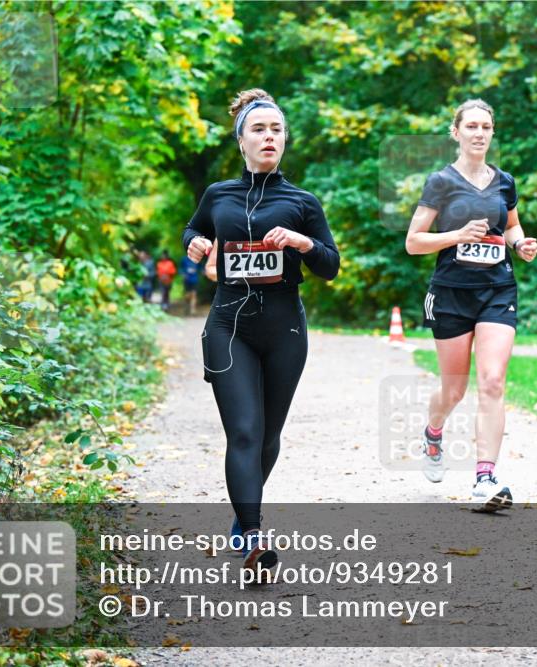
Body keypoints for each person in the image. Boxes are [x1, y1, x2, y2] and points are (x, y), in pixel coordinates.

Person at [182, 88, 340, 571]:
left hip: (284, 329)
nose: (269, 137)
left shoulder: (302, 201)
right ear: (241, 141)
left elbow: (331, 266)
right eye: (259, 129)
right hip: (229, 325)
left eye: (277, 130)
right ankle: (252, 535)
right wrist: (195, 244)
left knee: (269, 436)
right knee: (245, 432)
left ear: (285, 140)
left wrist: (302, 241)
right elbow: (193, 230)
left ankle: (242, 514)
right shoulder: (219, 195)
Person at [404, 99, 537, 512]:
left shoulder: (505, 181)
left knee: (493, 380)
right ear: (456, 132)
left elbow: (511, 224)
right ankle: (433, 432)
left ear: (492, 133)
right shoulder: (440, 182)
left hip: (498, 289)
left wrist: (521, 244)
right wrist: (458, 234)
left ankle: (485, 477)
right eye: (472, 126)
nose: (479, 133)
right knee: (454, 388)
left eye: (486, 127)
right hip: (451, 293)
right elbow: (413, 242)